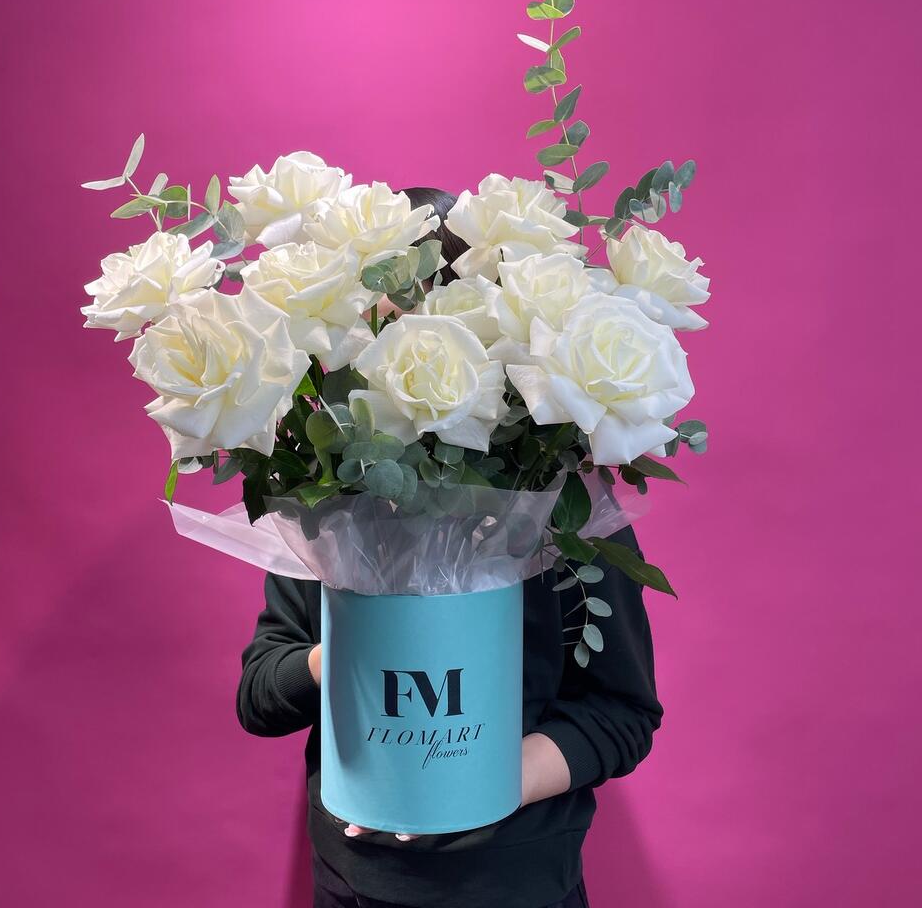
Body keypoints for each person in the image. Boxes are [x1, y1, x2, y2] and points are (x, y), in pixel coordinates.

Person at [236, 189, 663, 908]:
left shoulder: (559, 506)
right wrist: (352, 645)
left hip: (518, 885)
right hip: (353, 883)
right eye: (379, 334)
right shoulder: (326, 507)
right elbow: (259, 699)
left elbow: (624, 713)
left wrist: (483, 782)